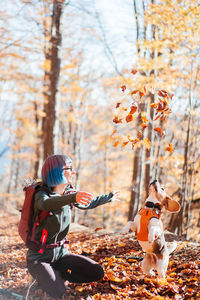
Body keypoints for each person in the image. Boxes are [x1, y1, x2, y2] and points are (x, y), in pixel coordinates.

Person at [26, 154, 120, 299]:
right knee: (60, 294)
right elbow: (46, 204)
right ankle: (45, 278)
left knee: (97, 272)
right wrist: (72, 198)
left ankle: (57, 275)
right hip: (39, 258)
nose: (73, 172)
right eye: (69, 168)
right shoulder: (41, 194)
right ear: (56, 171)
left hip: (61, 255)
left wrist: (108, 197)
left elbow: (89, 203)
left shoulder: (69, 192)